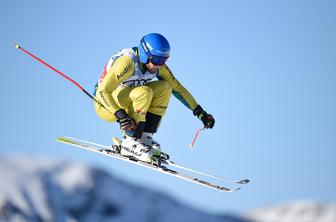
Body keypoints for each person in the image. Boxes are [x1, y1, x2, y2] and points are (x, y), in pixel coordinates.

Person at [93, 33, 215, 163]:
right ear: (146, 55)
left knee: (165, 87)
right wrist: (120, 114)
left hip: (128, 100)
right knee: (144, 92)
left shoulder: (158, 67)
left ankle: (145, 137)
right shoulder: (127, 63)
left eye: (164, 60)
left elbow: (178, 88)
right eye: (157, 60)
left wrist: (200, 112)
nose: (159, 65)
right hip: (106, 105)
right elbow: (102, 91)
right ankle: (129, 142)